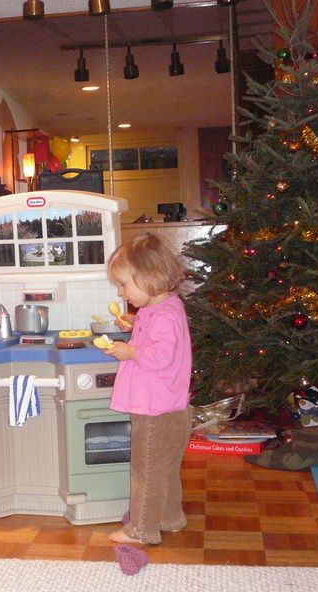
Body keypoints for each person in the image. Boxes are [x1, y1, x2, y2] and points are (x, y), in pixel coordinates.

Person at [102, 232, 192, 545]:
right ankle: (170, 517)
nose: (121, 291)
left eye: (124, 284)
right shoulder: (164, 307)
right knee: (164, 469)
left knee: (147, 471)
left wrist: (129, 351)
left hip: (155, 409)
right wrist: (134, 323)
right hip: (168, 406)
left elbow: (160, 356)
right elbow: (159, 336)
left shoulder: (164, 315)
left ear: (148, 277)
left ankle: (141, 529)